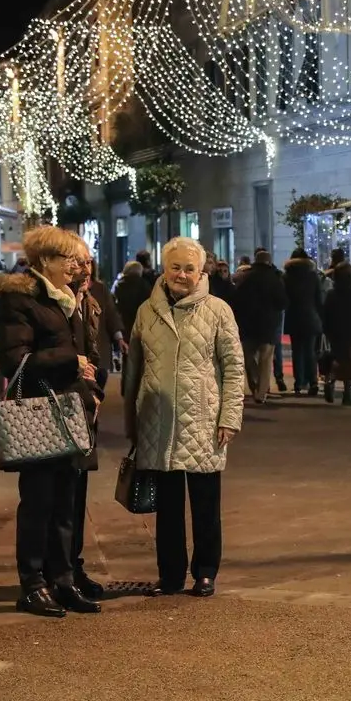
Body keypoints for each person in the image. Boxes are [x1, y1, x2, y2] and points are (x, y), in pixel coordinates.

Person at [123, 237, 246, 598]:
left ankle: (206, 571)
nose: (182, 274)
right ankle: (171, 574)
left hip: (203, 419)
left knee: (206, 503)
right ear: (164, 268)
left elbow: (234, 367)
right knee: (168, 508)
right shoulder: (147, 310)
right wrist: (132, 421)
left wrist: (230, 417)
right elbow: (134, 367)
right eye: (175, 267)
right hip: (157, 420)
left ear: (202, 271)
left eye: (190, 268)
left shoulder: (219, 310)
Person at [0, 226, 103, 618]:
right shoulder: (19, 300)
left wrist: (89, 379)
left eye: (76, 259)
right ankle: (32, 583)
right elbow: (13, 359)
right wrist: (70, 361)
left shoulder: (66, 299)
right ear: (45, 262)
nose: (75, 266)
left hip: (71, 411)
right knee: (38, 502)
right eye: (67, 259)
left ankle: (64, 580)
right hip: (40, 414)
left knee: (67, 503)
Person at [65, 242, 110, 598]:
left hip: (84, 407)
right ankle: (58, 572)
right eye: (80, 262)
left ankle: (72, 566)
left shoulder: (89, 302)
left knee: (77, 492)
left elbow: (93, 354)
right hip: (60, 412)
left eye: (89, 261)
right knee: (59, 498)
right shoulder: (60, 305)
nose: (86, 268)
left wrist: (95, 387)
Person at [234, 250, 288, 402]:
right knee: (266, 359)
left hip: (248, 325)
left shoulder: (246, 277)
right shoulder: (275, 278)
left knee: (248, 357)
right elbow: (283, 302)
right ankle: (261, 393)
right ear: (269, 262)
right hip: (269, 325)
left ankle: (254, 383)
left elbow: (237, 300)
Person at [321, 258, 351, 406]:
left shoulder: (331, 294)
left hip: (334, 332)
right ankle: (347, 394)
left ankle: (331, 378)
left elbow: (325, 313)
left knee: (338, 358)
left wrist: (326, 330)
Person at [283, 247, 324, 396]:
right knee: (310, 352)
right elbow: (319, 299)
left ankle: (298, 384)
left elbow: (284, 298)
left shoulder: (287, 276)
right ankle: (313, 383)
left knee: (297, 352)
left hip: (294, 317)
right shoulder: (313, 276)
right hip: (311, 317)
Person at [114, 260, 153, 345]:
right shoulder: (144, 285)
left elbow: (115, 305)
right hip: (140, 323)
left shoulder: (119, 285)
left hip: (124, 323)